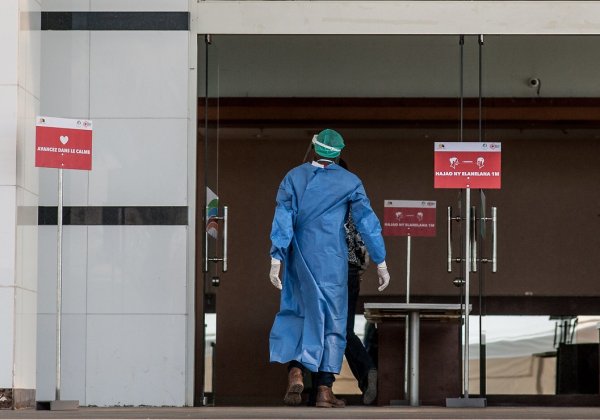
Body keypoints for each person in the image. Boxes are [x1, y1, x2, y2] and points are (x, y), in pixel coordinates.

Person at [268, 129, 390, 408]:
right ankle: (324, 390)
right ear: (339, 153)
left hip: (299, 258)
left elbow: (283, 217)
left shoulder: (292, 177)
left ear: (314, 148)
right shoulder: (350, 182)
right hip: (333, 262)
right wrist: (380, 261)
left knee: (298, 314)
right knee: (333, 325)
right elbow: (367, 223)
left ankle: (296, 370)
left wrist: (276, 257)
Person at [338, 158, 378, 406]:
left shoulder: (324, 204)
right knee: (343, 330)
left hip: (327, 270)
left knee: (320, 328)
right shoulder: (356, 202)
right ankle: (366, 372)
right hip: (352, 271)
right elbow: (365, 240)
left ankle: (319, 389)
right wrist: (360, 269)